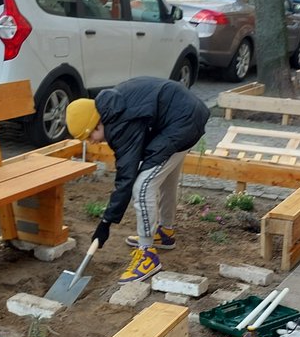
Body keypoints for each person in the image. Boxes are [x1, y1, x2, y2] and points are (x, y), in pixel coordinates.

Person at [65, 77, 210, 283]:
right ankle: (165, 232)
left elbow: (126, 177)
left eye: (90, 137)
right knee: (163, 176)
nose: (93, 142)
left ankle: (147, 255)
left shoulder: (119, 124)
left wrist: (106, 222)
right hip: (185, 114)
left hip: (182, 123)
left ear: (96, 125)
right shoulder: (112, 106)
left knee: (143, 186)